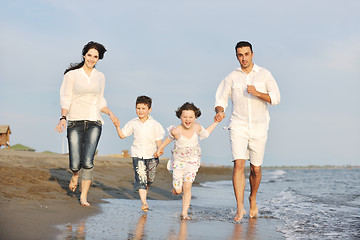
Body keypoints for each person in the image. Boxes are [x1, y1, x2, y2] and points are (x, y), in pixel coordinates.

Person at [214, 41, 280, 221]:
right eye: (240, 55)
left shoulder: (264, 74)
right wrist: (219, 111)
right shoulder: (231, 77)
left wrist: (258, 93)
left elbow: (276, 98)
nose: (244, 58)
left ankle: (252, 198)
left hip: (259, 127)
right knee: (238, 164)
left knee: (256, 169)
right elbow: (220, 98)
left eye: (246, 54)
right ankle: (239, 207)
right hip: (238, 125)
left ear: (252, 54)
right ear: (236, 56)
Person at [55, 41, 119, 207]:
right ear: (84, 55)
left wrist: (111, 113)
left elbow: (100, 100)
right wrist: (63, 117)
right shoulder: (72, 75)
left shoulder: (100, 77)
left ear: (98, 59)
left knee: (88, 161)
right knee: (75, 162)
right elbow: (66, 98)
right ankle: (75, 174)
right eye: (89, 55)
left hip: (94, 122)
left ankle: (83, 196)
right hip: (74, 121)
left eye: (95, 56)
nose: (91, 59)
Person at [155, 102, 218, 220]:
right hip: (179, 162)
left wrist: (216, 122)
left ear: (195, 117)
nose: (187, 120)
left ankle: (184, 213)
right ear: (180, 117)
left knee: (187, 186)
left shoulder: (197, 127)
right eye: (185, 117)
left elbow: (206, 133)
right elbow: (168, 140)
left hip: (193, 162)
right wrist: (160, 149)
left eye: (190, 117)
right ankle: (176, 188)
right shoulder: (176, 130)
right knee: (179, 190)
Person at [115, 95, 165, 212]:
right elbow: (122, 135)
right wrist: (117, 126)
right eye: (138, 108)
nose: (140, 111)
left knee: (149, 180)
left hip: (152, 156)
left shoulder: (155, 124)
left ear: (149, 110)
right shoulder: (133, 123)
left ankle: (145, 189)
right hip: (138, 155)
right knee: (141, 179)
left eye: (143, 108)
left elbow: (159, 141)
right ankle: (144, 202)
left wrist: (159, 150)